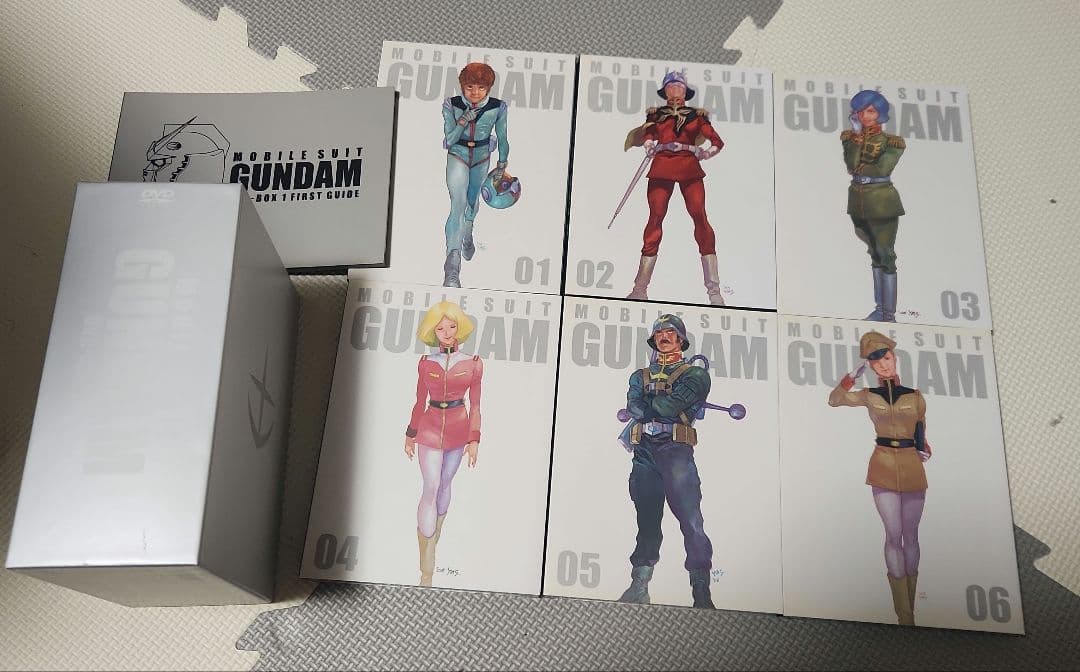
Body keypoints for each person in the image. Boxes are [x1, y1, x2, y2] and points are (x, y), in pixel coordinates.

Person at [828, 331, 931, 625]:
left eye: (886, 357)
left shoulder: (915, 395)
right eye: (876, 361)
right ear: (871, 366)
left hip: (912, 466)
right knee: (893, 535)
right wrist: (851, 377)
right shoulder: (868, 395)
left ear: (894, 358)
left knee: (912, 536)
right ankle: (904, 615)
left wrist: (924, 446)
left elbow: (920, 425)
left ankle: (910, 606)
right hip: (883, 466)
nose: (884, 365)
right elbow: (834, 400)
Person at [618, 314, 716, 608]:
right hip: (644, 452)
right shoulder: (639, 376)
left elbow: (667, 406)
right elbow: (634, 406)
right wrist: (650, 408)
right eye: (659, 332)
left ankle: (701, 592)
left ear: (681, 339)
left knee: (690, 519)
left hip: (676, 451)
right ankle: (639, 585)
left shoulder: (696, 375)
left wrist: (650, 406)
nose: (664, 336)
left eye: (670, 332)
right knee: (647, 519)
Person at [623, 72, 725, 305]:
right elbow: (649, 134)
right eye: (670, 87)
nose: (674, 91)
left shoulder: (697, 116)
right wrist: (649, 144)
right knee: (655, 218)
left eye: (678, 86)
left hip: (689, 168)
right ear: (665, 91)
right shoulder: (656, 114)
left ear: (685, 91)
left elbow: (717, 141)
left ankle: (714, 290)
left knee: (699, 216)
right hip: (662, 167)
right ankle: (640, 288)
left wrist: (705, 153)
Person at [404, 301, 483, 586]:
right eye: (440, 328)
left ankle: (433, 542)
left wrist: (474, 439)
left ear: (460, 328)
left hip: (459, 428)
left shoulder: (474, 363)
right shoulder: (426, 363)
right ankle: (426, 567)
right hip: (429, 427)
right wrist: (411, 433)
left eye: (451, 326)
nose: (447, 332)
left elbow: (476, 405)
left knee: (445, 484)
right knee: (431, 485)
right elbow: (419, 400)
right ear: (432, 331)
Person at [441, 62, 510, 288]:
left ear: (488, 88)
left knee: (472, 203)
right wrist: (463, 120)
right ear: (462, 86)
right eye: (470, 87)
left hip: (482, 158)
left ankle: (468, 231)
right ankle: (452, 267)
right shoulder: (452, 104)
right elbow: (449, 139)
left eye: (481, 87)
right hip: (458, 155)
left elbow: (503, 137)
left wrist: (502, 164)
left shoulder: (498, 107)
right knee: (457, 205)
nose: (475, 92)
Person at [842, 90, 906, 322]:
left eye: (870, 111)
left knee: (885, 255)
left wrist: (860, 166)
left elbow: (882, 169)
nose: (865, 116)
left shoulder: (892, 142)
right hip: (858, 201)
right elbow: (851, 165)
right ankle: (880, 309)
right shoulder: (851, 138)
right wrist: (856, 137)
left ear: (880, 113)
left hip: (882, 202)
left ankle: (889, 314)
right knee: (874, 254)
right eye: (860, 112)